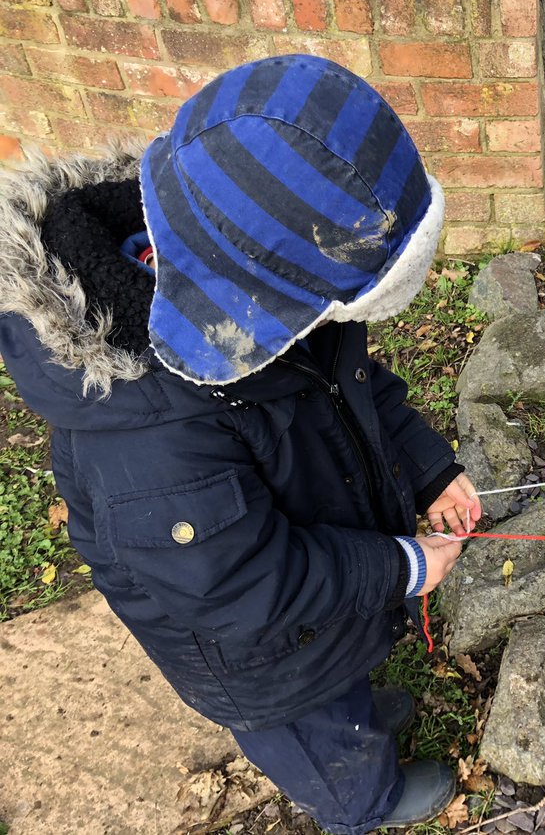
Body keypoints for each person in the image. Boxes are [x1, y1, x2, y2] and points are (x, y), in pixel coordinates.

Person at [0, 55, 480, 833]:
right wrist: (403, 567)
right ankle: (362, 801)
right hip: (262, 659)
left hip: (318, 605)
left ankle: (351, 708)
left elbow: (353, 387)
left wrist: (429, 470)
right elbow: (241, 587)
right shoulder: (148, 440)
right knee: (318, 736)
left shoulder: (254, 266)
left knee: (341, 688)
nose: (339, 325)